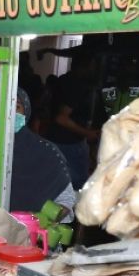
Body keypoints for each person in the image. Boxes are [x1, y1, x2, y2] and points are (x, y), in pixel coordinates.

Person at [0, 88, 75, 216]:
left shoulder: (47, 153)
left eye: (17, 107)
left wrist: (38, 222)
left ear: (26, 114)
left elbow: (66, 200)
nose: (9, 113)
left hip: (34, 234)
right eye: (1, 107)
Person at [46, 53, 106, 189]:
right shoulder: (75, 85)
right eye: (93, 66)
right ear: (84, 67)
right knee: (76, 185)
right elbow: (62, 118)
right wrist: (87, 133)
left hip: (61, 140)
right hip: (68, 143)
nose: (95, 70)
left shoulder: (63, 80)